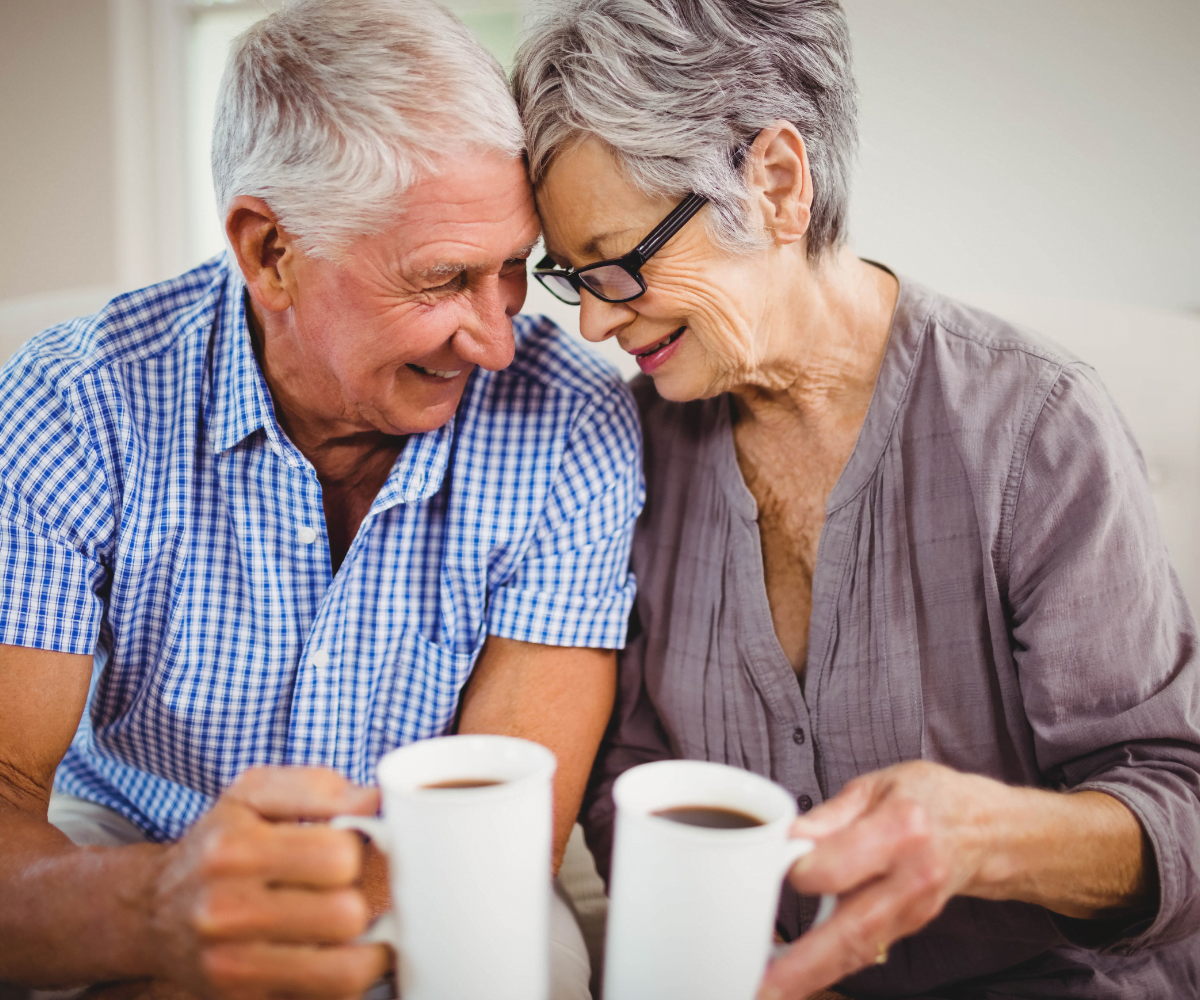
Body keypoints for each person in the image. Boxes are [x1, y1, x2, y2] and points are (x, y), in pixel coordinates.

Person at [512, 0, 1200, 997]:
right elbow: (629, 782)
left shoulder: (1035, 424)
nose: (590, 319)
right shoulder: (630, 445)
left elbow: (1176, 804)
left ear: (778, 183)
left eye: (616, 265)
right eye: (570, 275)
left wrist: (987, 837)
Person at [0, 1, 641, 998]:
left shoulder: (572, 418)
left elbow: (508, 810)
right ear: (270, 252)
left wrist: (305, 934)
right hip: (132, 832)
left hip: (445, 862)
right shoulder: (75, 402)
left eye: (512, 270)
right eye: (442, 280)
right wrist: (151, 906)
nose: (498, 340)